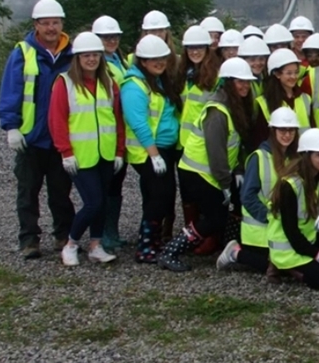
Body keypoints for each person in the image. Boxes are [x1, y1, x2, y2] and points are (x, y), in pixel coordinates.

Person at [160, 58, 257, 271]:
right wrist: (225, 184)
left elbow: (235, 144)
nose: (244, 86)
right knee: (214, 217)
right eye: (239, 82)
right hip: (198, 173)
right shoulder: (217, 111)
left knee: (229, 209)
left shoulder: (234, 105)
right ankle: (171, 251)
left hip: (212, 173)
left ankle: (229, 246)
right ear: (227, 82)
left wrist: (237, 172)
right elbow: (216, 153)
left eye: (247, 82)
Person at [0, 0, 75, 259]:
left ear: (62, 23)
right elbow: (11, 90)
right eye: (46, 23)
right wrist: (11, 126)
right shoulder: (23, 52)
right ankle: (29, 240)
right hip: (30, 138)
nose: (51, 28)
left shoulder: (72, 54)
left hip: (60, 138)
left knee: (61, 194)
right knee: (28, 193)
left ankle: (63, 236)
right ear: (36, 25)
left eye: (56, 22)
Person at [48, 32, 124, 266]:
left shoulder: (109, 82)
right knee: (94, 202)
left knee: (101, 201)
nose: (91, 59)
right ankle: (71, 244)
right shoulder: (65, 82)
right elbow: (57, 119)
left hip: (106, 153)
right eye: (86, 55)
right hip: (80, 156)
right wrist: (65, 151)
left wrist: (120, 150)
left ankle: (95, 246)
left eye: (95, 55)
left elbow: (117, 118)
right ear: (77, 58)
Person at [264, 129, 319, 290]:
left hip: (308, 237)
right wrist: (317, 254)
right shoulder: (290, 185)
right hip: (289, 248)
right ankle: (286, 269)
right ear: (307, 156)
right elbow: (291, 233)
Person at [121, 35, 183, 263]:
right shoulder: (134, 86)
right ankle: (146, 247)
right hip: (147, 151)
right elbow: (138, 122)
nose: (159, 62)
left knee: (156, 196)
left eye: (162, 58)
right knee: (160, 196)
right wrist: (153, 154)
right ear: (143, 62)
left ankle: (152, 242)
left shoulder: (157, 81)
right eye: (153, 59)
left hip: (162, 149)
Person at [217, 107, 301, 274]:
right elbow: (247, 197)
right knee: (278, 266)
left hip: (280, 229)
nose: (287, 135)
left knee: (292, 262)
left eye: (291, 130)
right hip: (260, 232)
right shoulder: (259, 157)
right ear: (273, 131)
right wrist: (268, 217)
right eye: (282, 130)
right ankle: (236, 253)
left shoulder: (294, 159)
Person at [91, 15, 130, 253]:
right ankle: (103, 234)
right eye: (106, 37)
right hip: (106, 133)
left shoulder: (119, 59)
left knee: (116, 185)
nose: (112, 40)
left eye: (115, 36)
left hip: (120, 132)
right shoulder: (98, 65)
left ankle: (111, 232)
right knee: (104, 187)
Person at [253, 48, 313, 145]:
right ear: (277, 74)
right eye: (289, 73)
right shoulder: (264, 102)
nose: (294, 77)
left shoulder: (305, 98)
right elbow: (261, 137)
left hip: (302, 155)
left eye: (296, 72)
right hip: (277, 156)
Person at [178, 25, 222, 150]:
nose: (195, 52)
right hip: (184, 142)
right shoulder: (184, 74)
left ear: (207, 49)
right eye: (191, 48)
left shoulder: (217, 76)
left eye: (200, 47)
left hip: (203, 142)